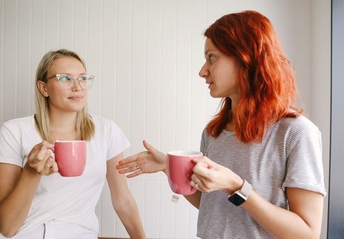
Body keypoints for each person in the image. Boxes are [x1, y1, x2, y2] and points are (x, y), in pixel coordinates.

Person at [116, 10, 326, 239]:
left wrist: (237, 187)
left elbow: (307, 233)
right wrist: (169, 167)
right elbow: (211, 207)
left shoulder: (296, 133)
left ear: (245, 57)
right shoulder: (213, 132)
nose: (202, 71)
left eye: (211, 57)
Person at [0, 49, 146, 239]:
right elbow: (6, 227)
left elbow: (123, 201)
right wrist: (30, 171)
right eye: (65, 79)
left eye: (83, 78)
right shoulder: (13, 131)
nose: (77, 87)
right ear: (44, 88)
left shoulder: (107, 131)